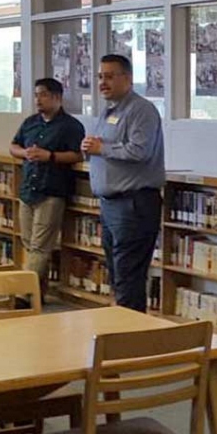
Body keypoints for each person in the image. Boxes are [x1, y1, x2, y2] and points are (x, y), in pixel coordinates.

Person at [81, 54, 165, 312]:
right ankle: (124, 333)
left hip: (134, 205)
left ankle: (129, 341)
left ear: (127, 79)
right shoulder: (109, 111)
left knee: (129, 277)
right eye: (99, 76)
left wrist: (101, 148)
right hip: (111, 205)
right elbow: (104, 148)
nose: (102, 82)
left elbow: (139, 151)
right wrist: (89, 148)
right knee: (118, 275)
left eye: (109, 76)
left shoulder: (141, 110)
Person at [9, 78, 85, 297]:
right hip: (28, 190)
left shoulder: (71, 126)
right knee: (29, 244)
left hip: (51, 190)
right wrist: (25, 153)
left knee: (40, 246)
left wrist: (49, 156)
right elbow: (14, 145)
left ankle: (23, 295)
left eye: (42, 95)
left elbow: (78, 154)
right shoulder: (30, 122)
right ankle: (37, 294)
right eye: (36, 95)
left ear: (57, 97)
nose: (38, 100)